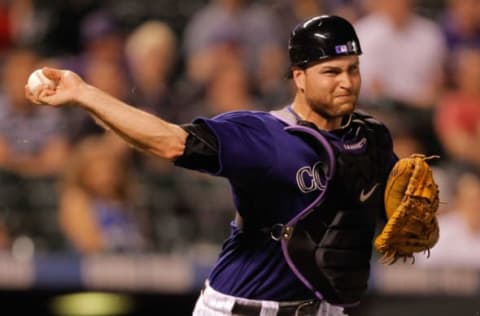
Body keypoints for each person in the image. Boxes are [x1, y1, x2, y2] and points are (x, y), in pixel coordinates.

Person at [27, 15, 401, 316]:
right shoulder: (262, 134)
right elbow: (171, 141)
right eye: (331, 71)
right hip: (241, 308)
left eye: (353, 69)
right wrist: (83, 93)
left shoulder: (370, 139)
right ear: (299, 77)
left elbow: (398, 208)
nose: (347, 82)